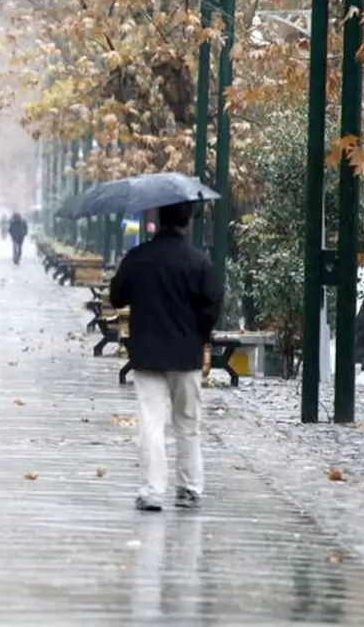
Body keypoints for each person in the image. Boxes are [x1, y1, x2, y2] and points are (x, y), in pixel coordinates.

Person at [109, 201, 222, 512]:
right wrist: (198, 335)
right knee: (188, 422)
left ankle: (152, 490)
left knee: (151, 422)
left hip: (147, 353)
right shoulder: (199, 262)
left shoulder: (138, 258)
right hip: (186, 354)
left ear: (159, 220)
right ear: (187, 223)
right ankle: (189, 488)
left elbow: (117, 297)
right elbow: (212, 306)